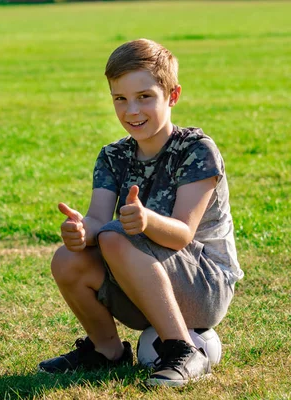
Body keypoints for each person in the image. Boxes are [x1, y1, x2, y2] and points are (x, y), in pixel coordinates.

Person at [38, 39, 244, 387]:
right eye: (120, 99)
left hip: (205, 285)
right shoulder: (113, 156)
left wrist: (145, 221)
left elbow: (182, 233)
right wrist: (81, 231)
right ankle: (107, 352)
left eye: (144, 97)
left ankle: (183, 350)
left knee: (117, 238)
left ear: (173, 96)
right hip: (144, 283)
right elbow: (98, 220)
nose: (131, 110)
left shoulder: (196, 151)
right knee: (67, 258)